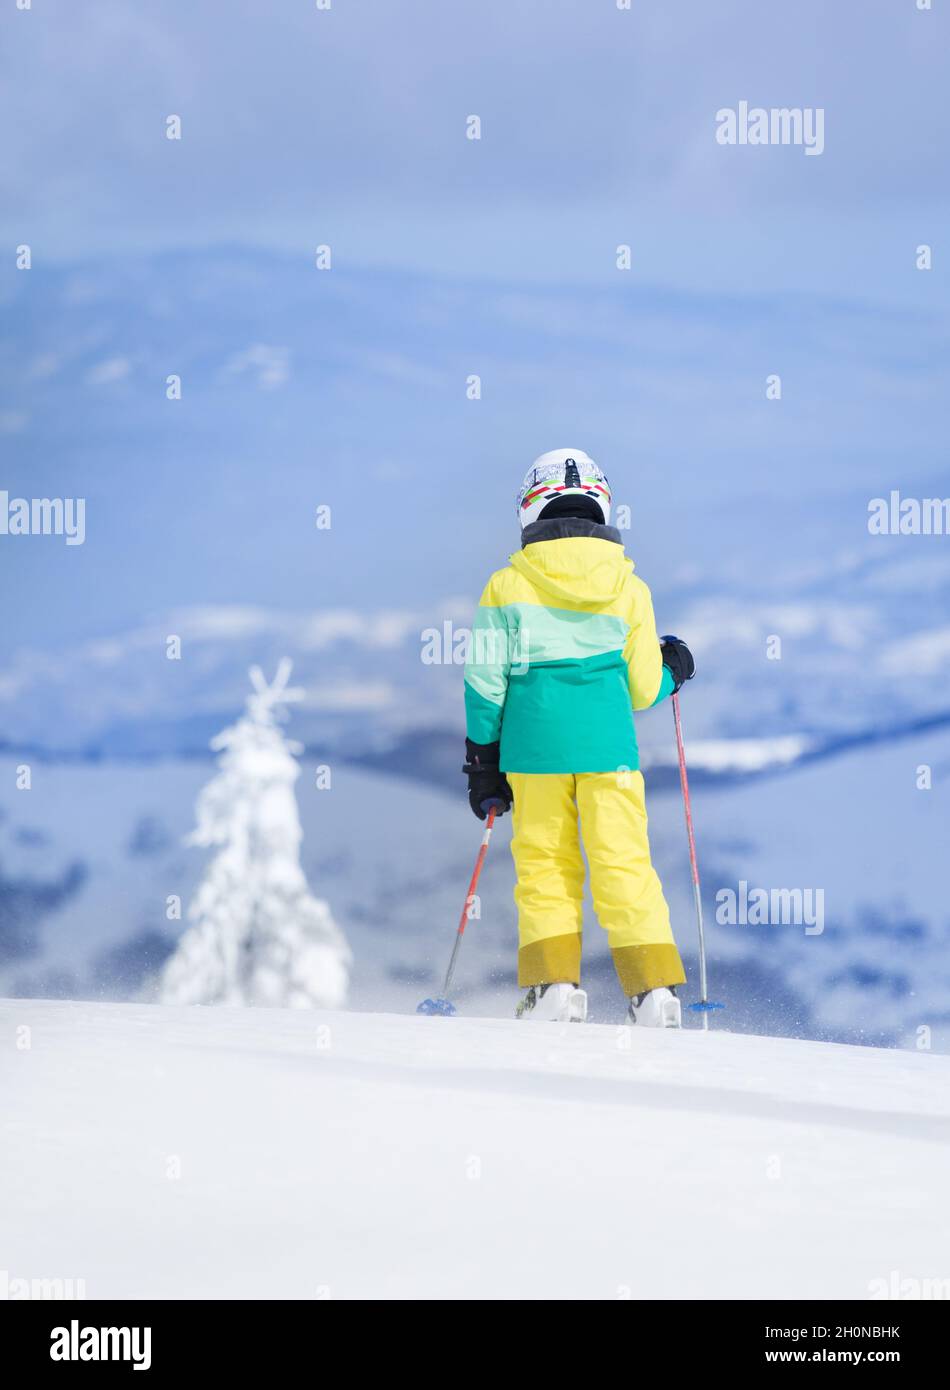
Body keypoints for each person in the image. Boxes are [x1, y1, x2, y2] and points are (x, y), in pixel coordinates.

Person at [462, 448, 695, 1026]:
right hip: (609, 752)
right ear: (602, 506)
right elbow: (643, 689)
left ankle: (552, 990)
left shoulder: (506, 586)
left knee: (545, 868)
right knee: (624, 862)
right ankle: (653, 991)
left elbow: (484, 685)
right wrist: (675, 669)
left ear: (529, 509)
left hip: (532, 753)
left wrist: (482, 763)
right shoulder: (629, 587)